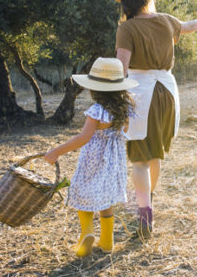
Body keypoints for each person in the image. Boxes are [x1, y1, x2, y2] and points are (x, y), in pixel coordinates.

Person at [112, 0, 197, 238]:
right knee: (154, 154)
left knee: (140, 159)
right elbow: (189, 26)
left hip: (140, 94)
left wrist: (114, 101)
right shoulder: (167, 20)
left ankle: (145, 216)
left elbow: (121, 69)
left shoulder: (127, 28)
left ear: (126, 3)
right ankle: (148, 201)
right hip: (167, 93)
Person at [44, 57, 137, 257]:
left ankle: (86, 233)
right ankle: (107, 241)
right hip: (115, 160)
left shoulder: (96, 110)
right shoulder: (126, 107)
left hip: (93, 159)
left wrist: (56, 151)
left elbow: (83, 138)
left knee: (81, 189)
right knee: (107, 196)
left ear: (95, 88)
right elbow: (125, 130)